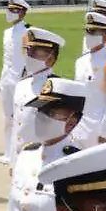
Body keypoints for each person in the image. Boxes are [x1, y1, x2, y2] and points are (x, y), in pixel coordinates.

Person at [2, 77, 86, 211]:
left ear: (72, 121)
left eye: (51, 112)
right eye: (40, 110)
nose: (41, 117)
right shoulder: (26, 156)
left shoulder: (78, 167)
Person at [9, 28, 64, 163]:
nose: (29, 56)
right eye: (28, 51)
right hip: (19, 158)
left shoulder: (57, 87)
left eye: (35, 52)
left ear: (51, 57)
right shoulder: (22, 85)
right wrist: (12, 160)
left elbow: (59, 132)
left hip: (41, 160)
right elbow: (17, 126)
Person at [0, 0, 31, 164]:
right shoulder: (7, 32)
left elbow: (28, 58)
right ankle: (7, 152)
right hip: (6, 78)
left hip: (19, 78)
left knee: (20, 117)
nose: (9, 13)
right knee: (8, 117)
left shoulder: (28, 32)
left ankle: (17, 153)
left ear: (22, 13)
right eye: (8, 10)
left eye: (14, 10)